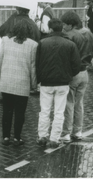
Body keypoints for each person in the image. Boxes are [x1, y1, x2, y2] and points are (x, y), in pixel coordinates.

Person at [36, 18, 81, 149]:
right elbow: (76, 65)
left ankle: (42, 136)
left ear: (50, 29)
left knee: (44, 111)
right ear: (62, 28)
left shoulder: (42, 43)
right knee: (59, 112)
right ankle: (54, 138)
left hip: (46, 83)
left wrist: (39, 78)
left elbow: (37, 64)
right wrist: (68, 75)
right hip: (63, 83)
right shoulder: (70, 44)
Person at [0, 20, 38, 146]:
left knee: (7, 111)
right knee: (20, 112)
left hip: (7, 82)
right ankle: (17, 138)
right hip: (22, 83)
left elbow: (0, 61)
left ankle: (5, 137)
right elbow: (33, 67)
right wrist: (34, 84)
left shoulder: (5, 40)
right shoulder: (33, 45)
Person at [59, 12, 93, 143]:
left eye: (64, 24)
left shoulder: (70, 36)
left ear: (70, 24)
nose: (63, 27)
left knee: (69, 103)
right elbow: (92, 51)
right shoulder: (88, 33)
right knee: (79, 103)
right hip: (84, 72)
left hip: (73, 73)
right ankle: (77, 131)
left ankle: (66, 133)